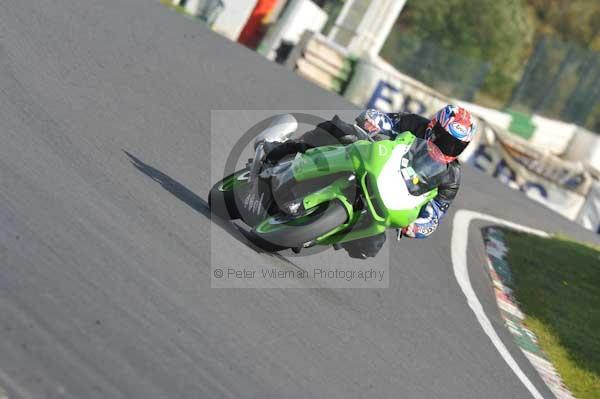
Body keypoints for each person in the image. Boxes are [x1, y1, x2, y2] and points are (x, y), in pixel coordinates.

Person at [264, 105, 477, 259]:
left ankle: (317, 232)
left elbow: (436, 212)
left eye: (456, 147)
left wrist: (418, 226)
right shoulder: (414, 124)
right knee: (336, 130)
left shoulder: (451, 177)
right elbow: (382, 119)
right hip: (371, 162)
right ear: (433, 127)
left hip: (388, 197)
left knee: (370, 247)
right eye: (444, 140)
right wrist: (373, 123)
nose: (447, 149)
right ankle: (277, 152)